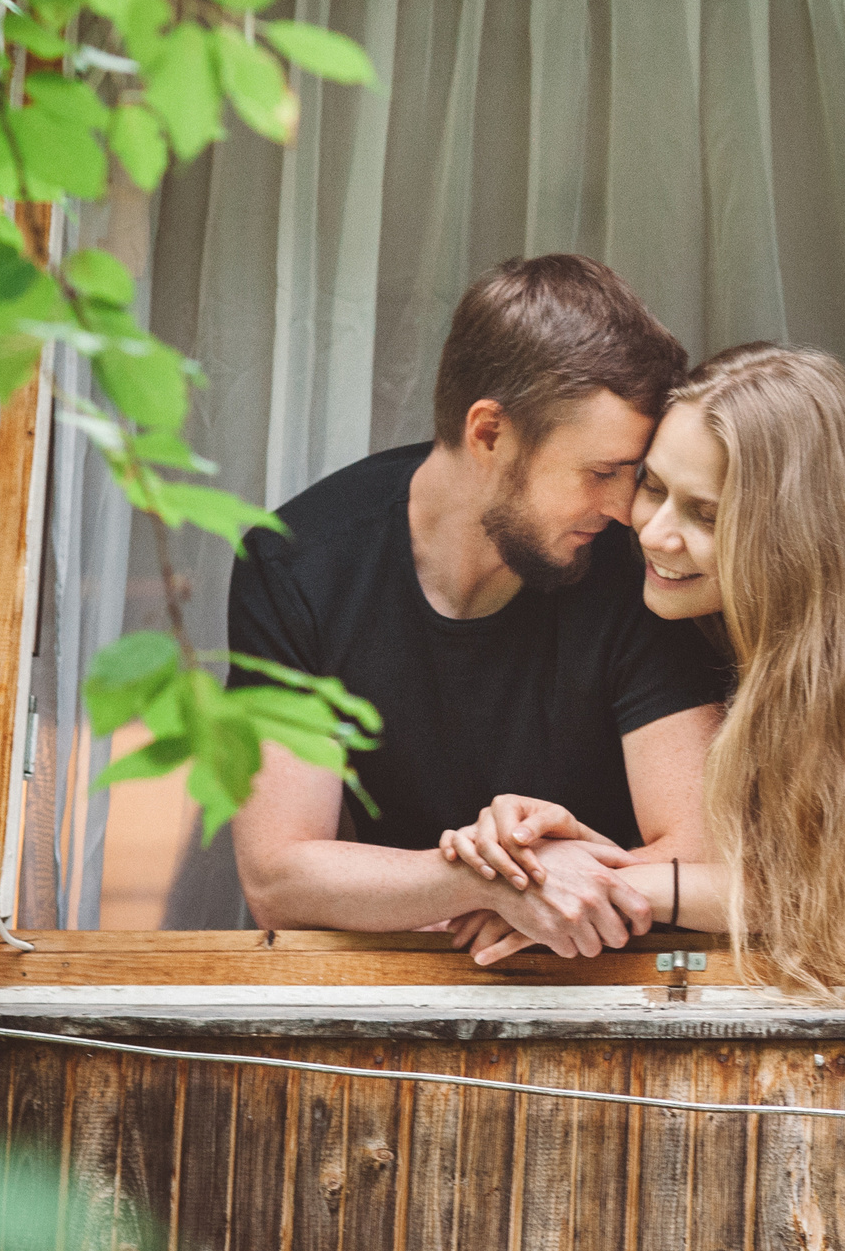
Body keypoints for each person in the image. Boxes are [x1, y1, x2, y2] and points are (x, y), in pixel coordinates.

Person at [443, 342, 845, 999]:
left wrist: (602, 881)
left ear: (793, 528)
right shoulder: (675, 584)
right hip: (769, 941)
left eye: (707, 514)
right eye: (653, 486)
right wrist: (549, 870)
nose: (653, 533)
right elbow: (749, 862)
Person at [228, 255, 730, 958]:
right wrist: (489, 882)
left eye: (634, 475)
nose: (629, 511)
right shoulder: (299, 565)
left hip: (610, 976)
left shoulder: (636, 567)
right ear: (490, 433)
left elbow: (699, 856)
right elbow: (278, 878)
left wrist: (522, 890)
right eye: (601, 473)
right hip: (395, 984)